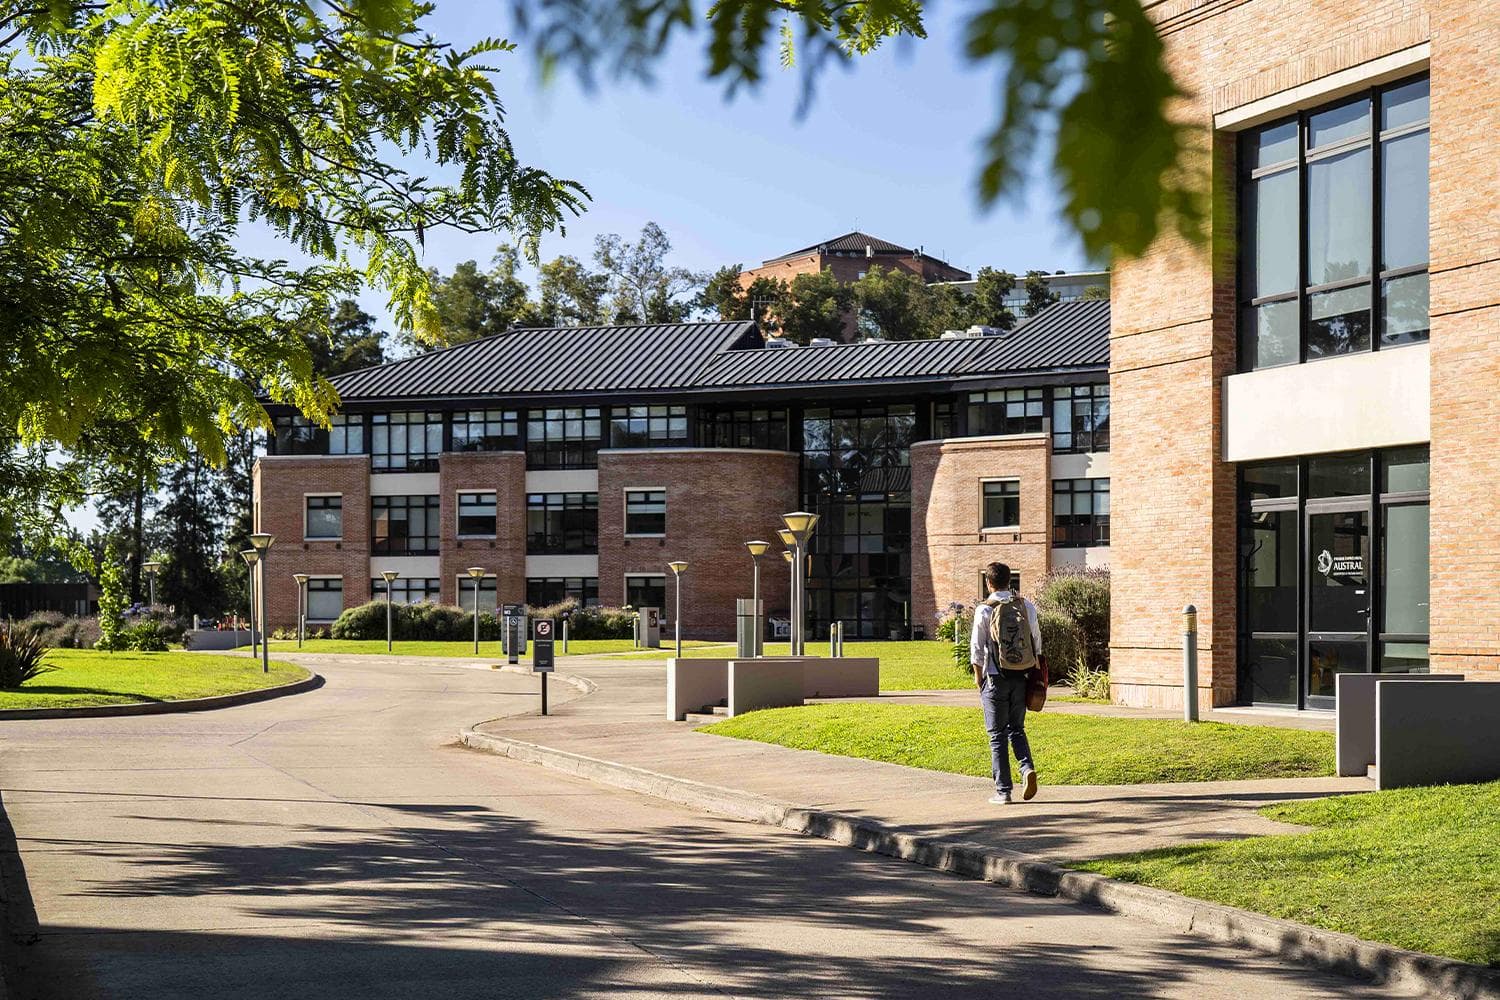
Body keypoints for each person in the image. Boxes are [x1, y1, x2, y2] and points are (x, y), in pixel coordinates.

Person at [969, 561, 1042, 805]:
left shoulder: (984, 609)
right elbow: (1036, 642)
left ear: (988, 583)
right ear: (1010, 581)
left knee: (997, 735)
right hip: (1020, 677)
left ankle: (1003, 791)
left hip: (995, 677)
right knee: (1016, 729)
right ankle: (1026, 768)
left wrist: (978, 678)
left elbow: (977, 648)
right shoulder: (1025, 606)